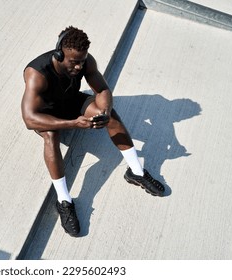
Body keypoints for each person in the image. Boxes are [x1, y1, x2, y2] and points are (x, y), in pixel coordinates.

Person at [21, 26, 165, 237]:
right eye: (73, 62)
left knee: (112, 116)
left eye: (82, 61)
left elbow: (103, 89)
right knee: (51, 137)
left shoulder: (86, 61)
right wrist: (73, 123)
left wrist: (104, 112)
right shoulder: (37, 73)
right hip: (47, 113)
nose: (79, 66)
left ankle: (136, 172)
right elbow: (29, 119)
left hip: (71, 102)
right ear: (60, 53)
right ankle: (63, 201)